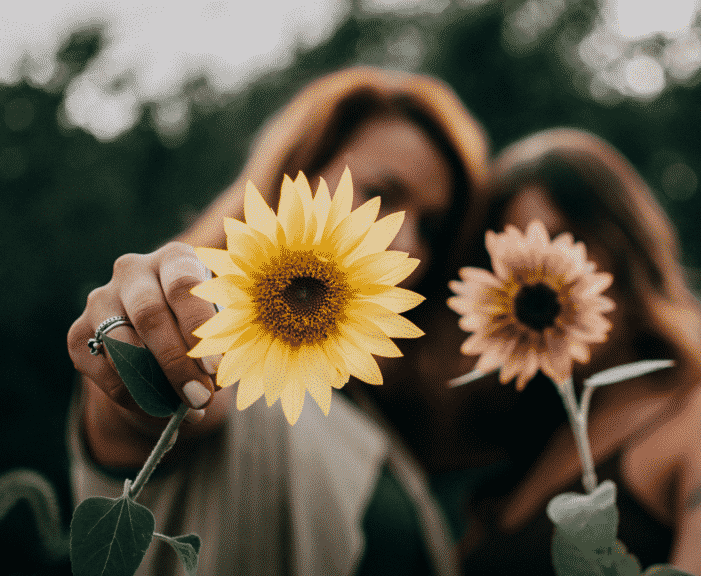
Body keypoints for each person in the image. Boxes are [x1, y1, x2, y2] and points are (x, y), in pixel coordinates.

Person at [65, 66, 489, 576]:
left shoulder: (358, 402)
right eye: (381, 193)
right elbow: (164, 401)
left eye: (431, 226)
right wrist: (138, 338)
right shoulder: (224, 346)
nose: (405, 241)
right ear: (298, 175)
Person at [417, 128, 701, 576]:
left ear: (627, 248)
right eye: (509, 266)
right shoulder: (512, 464)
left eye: (564, 243)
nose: (538, 282)